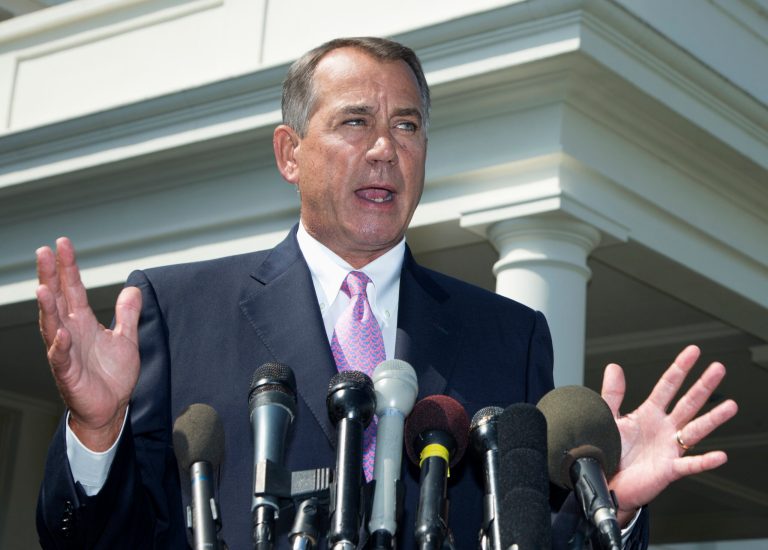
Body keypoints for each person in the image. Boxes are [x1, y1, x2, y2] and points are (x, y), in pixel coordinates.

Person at [35, 37, 737, 549]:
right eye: (354, 122)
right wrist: (97, 434)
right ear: (290, 153)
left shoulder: (509, 336)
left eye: (407, 125)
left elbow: (535, 537)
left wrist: (604, 503)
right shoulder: (178, 309)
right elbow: (104, 536)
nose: (384, 149)